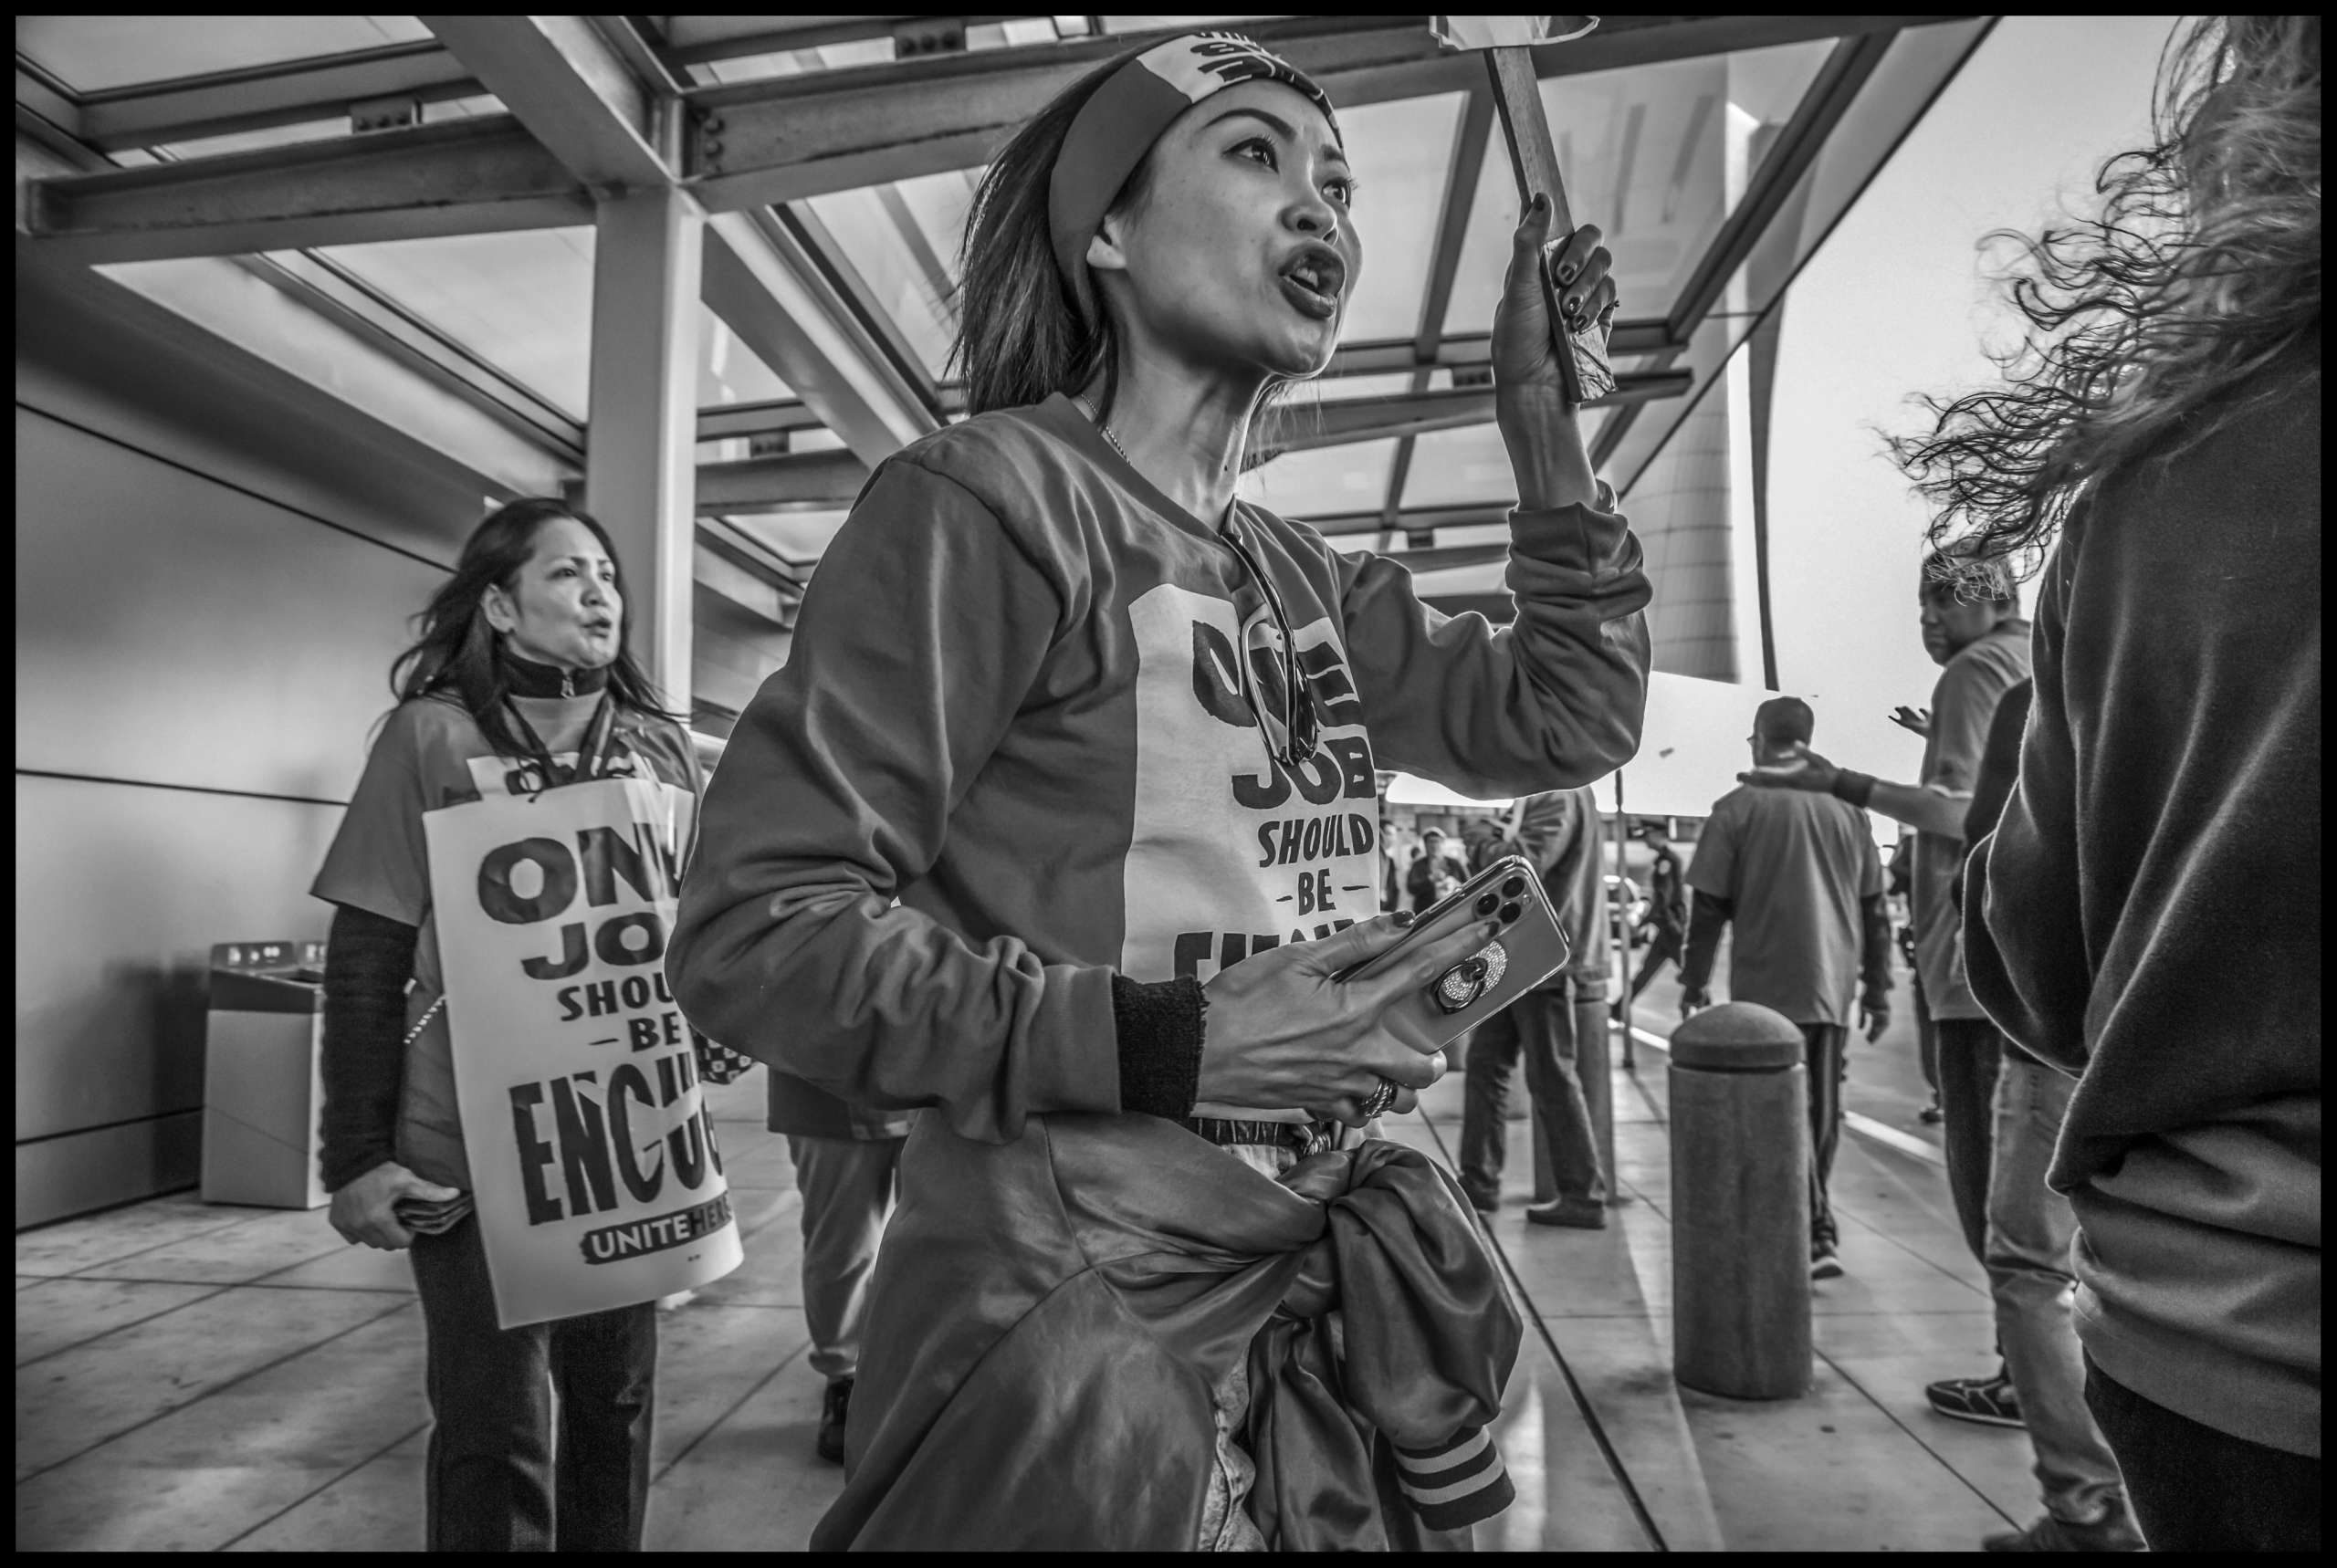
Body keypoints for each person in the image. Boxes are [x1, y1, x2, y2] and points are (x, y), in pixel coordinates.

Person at [666, 30, 1651, 1550]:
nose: (1322, 209)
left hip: (1304, 1310)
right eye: (1255, 155)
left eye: (1336, 180)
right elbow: (754, 933)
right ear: (1106, 232)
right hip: (1061, 1321)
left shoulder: (1302, 574)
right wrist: (1171, 1043)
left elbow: (1570, 711)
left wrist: (1541, 424)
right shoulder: (988, 501)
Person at [1915, 15, 2319, 1551]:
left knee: (2021, 1251)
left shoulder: (2151, 491)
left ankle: (2075, 1505)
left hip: (2223, 1334)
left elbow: (2034, 952)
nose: (1942, 611)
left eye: (1945, 591)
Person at [313, 499, 701, 1552]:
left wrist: (720, 1035)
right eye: (570, 573)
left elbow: (707, 939)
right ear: (498, 602)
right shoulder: (430, 735)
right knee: (490, 1429)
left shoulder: (660, 749)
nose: (600, 592)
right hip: (465, 1152)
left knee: (612, 1417)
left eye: (610, 576)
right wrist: (353, 1153)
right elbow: (367, 957)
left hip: (625, 1148)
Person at [1738, 545, 2030, 1426]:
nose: (1930, 620)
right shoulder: (2037, 660)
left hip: (1974, 975)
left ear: (1992, 599)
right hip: (2035, 972)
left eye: (1946, 600)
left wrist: (1846, 782)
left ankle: (2034, 1389)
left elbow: (1958, 810)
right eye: (1923, 603)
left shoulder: (1979, 670)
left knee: (1994, 1214)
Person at [1678, 698, 1891, 1280]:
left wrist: (1694, 984)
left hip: (1760, 1001)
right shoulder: (1850, 811)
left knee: (1775, 1117)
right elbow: (1875, 911)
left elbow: (1708, 911)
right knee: (1820, 1116)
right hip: (1828, 987)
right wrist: (1878, 988)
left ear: (1758, 740)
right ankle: (1807, 1223)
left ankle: (1812, 1228)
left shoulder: (1736, 808)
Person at [1455, 788, 1611, 1228]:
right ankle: (1479, 1184)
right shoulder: (1556, 791)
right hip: (1525, 957)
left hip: (1543, 958)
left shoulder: (1558, 792)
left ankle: (1582, 1193)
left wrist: (1480, 839)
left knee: (1550, 1075)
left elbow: (1523, 866)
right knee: (1488, 1066)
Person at [767, 1068, 915, 1465]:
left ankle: (927, 1376)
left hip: (940, 1086)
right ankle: (844, 1377)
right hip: (824, 1082)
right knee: (842, 1248)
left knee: (940, 1248)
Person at [1620, 819, 1686, 1013]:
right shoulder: (1665, 859)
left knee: (1689, 974)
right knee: (1646, 971)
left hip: (1671, 926)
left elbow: (1663, 897)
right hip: (1667, 926)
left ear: (1659, 835)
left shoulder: (1667, 860)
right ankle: (1619, 1009)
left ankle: (1704, 1005)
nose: (1645, 840)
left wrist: (1645, 920)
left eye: (1647, 835)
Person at [1406, 826, 1468, 912]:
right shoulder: (1418, 865)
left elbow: (1469, 883)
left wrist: (1454, 884)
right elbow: (1411, 888)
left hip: (1452, 908)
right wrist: (1430, 879)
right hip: (1426, 911)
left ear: (1443, 843)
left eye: (1437, 841)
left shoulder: (1454, 863)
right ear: (1425, 845)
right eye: (1430, 842)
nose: (1434, 845)